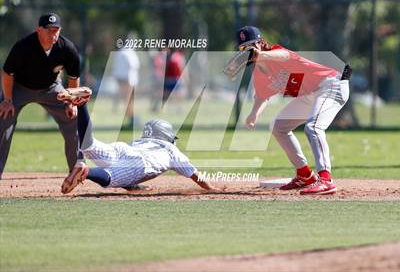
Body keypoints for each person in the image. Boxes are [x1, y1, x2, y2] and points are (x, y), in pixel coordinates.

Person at [237, 26, 351, 195]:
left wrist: (260, 54)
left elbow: (285, 55)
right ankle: (304, 174)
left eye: (251, 46)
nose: (247, 51)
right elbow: (262, 96)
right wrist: (253, 114)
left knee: (313, 127)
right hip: (310, 94)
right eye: (243, 48)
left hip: (331, 85)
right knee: (278, 127)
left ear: (261, 43)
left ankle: (326, 179)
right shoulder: (258, 73)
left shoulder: (277, 52)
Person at [57, 87, 219, 194]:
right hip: (140, 162)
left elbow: (125, 170)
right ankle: (86, 172)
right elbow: (194, 174)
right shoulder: (170, 149)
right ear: (166, 136)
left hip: (123, 148)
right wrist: (211, 189)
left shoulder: (141, 142)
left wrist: (134, 186)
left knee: (88, 145)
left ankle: (83, 104)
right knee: (110, 177)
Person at [0, 13, 82, 179]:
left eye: (56, 30)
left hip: (51, 88)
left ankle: (76, 171)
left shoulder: (67, 48)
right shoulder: (24, 46)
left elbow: (74, 78)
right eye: (49, 30)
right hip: (20, 88)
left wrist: (71, 103)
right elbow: (7, 73)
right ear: (38, 30)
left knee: (72, 119)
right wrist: (7, 100)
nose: (53, 34)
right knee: (4, 118)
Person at [111, 47, 141, 127]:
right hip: (128, 79)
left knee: (126, 100)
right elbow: (134, 65)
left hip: (122, 79)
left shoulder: (119, 53)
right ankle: (132, 118)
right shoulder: (129, 53)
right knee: (129, 100)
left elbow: (114, 67)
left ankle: (131, 118)